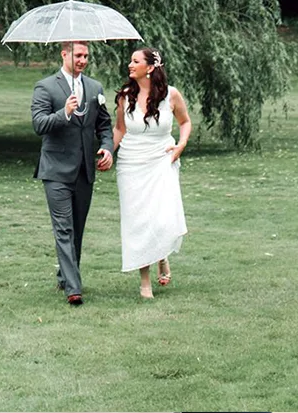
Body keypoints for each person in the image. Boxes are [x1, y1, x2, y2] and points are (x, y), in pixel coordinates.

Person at [31, 40, 114, 306]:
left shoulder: (94, 87)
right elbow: (39, 124)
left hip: (84, 170)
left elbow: (104, 124)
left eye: (86, 56)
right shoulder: (46, 86)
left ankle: (63, 276)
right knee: (64, 229)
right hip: (55, 170)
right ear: (64, 54)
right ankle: (73, 288)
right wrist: (63, 113)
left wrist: (107, 148)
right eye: (78, 55)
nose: (83, 60)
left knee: (77, 229)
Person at [113, 46, 191, 299]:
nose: (129, 64)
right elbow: (119, 130)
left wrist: (181, 145)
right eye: (130, 61)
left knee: (160, 218)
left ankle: (162, 255)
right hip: (131, 163)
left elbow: (185, 122)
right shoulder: (125, 96)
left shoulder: (171, 95)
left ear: (150, 67)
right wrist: (106, 151)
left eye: (135, 61)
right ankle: (144, 281)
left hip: (161, 160)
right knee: (138, 220)